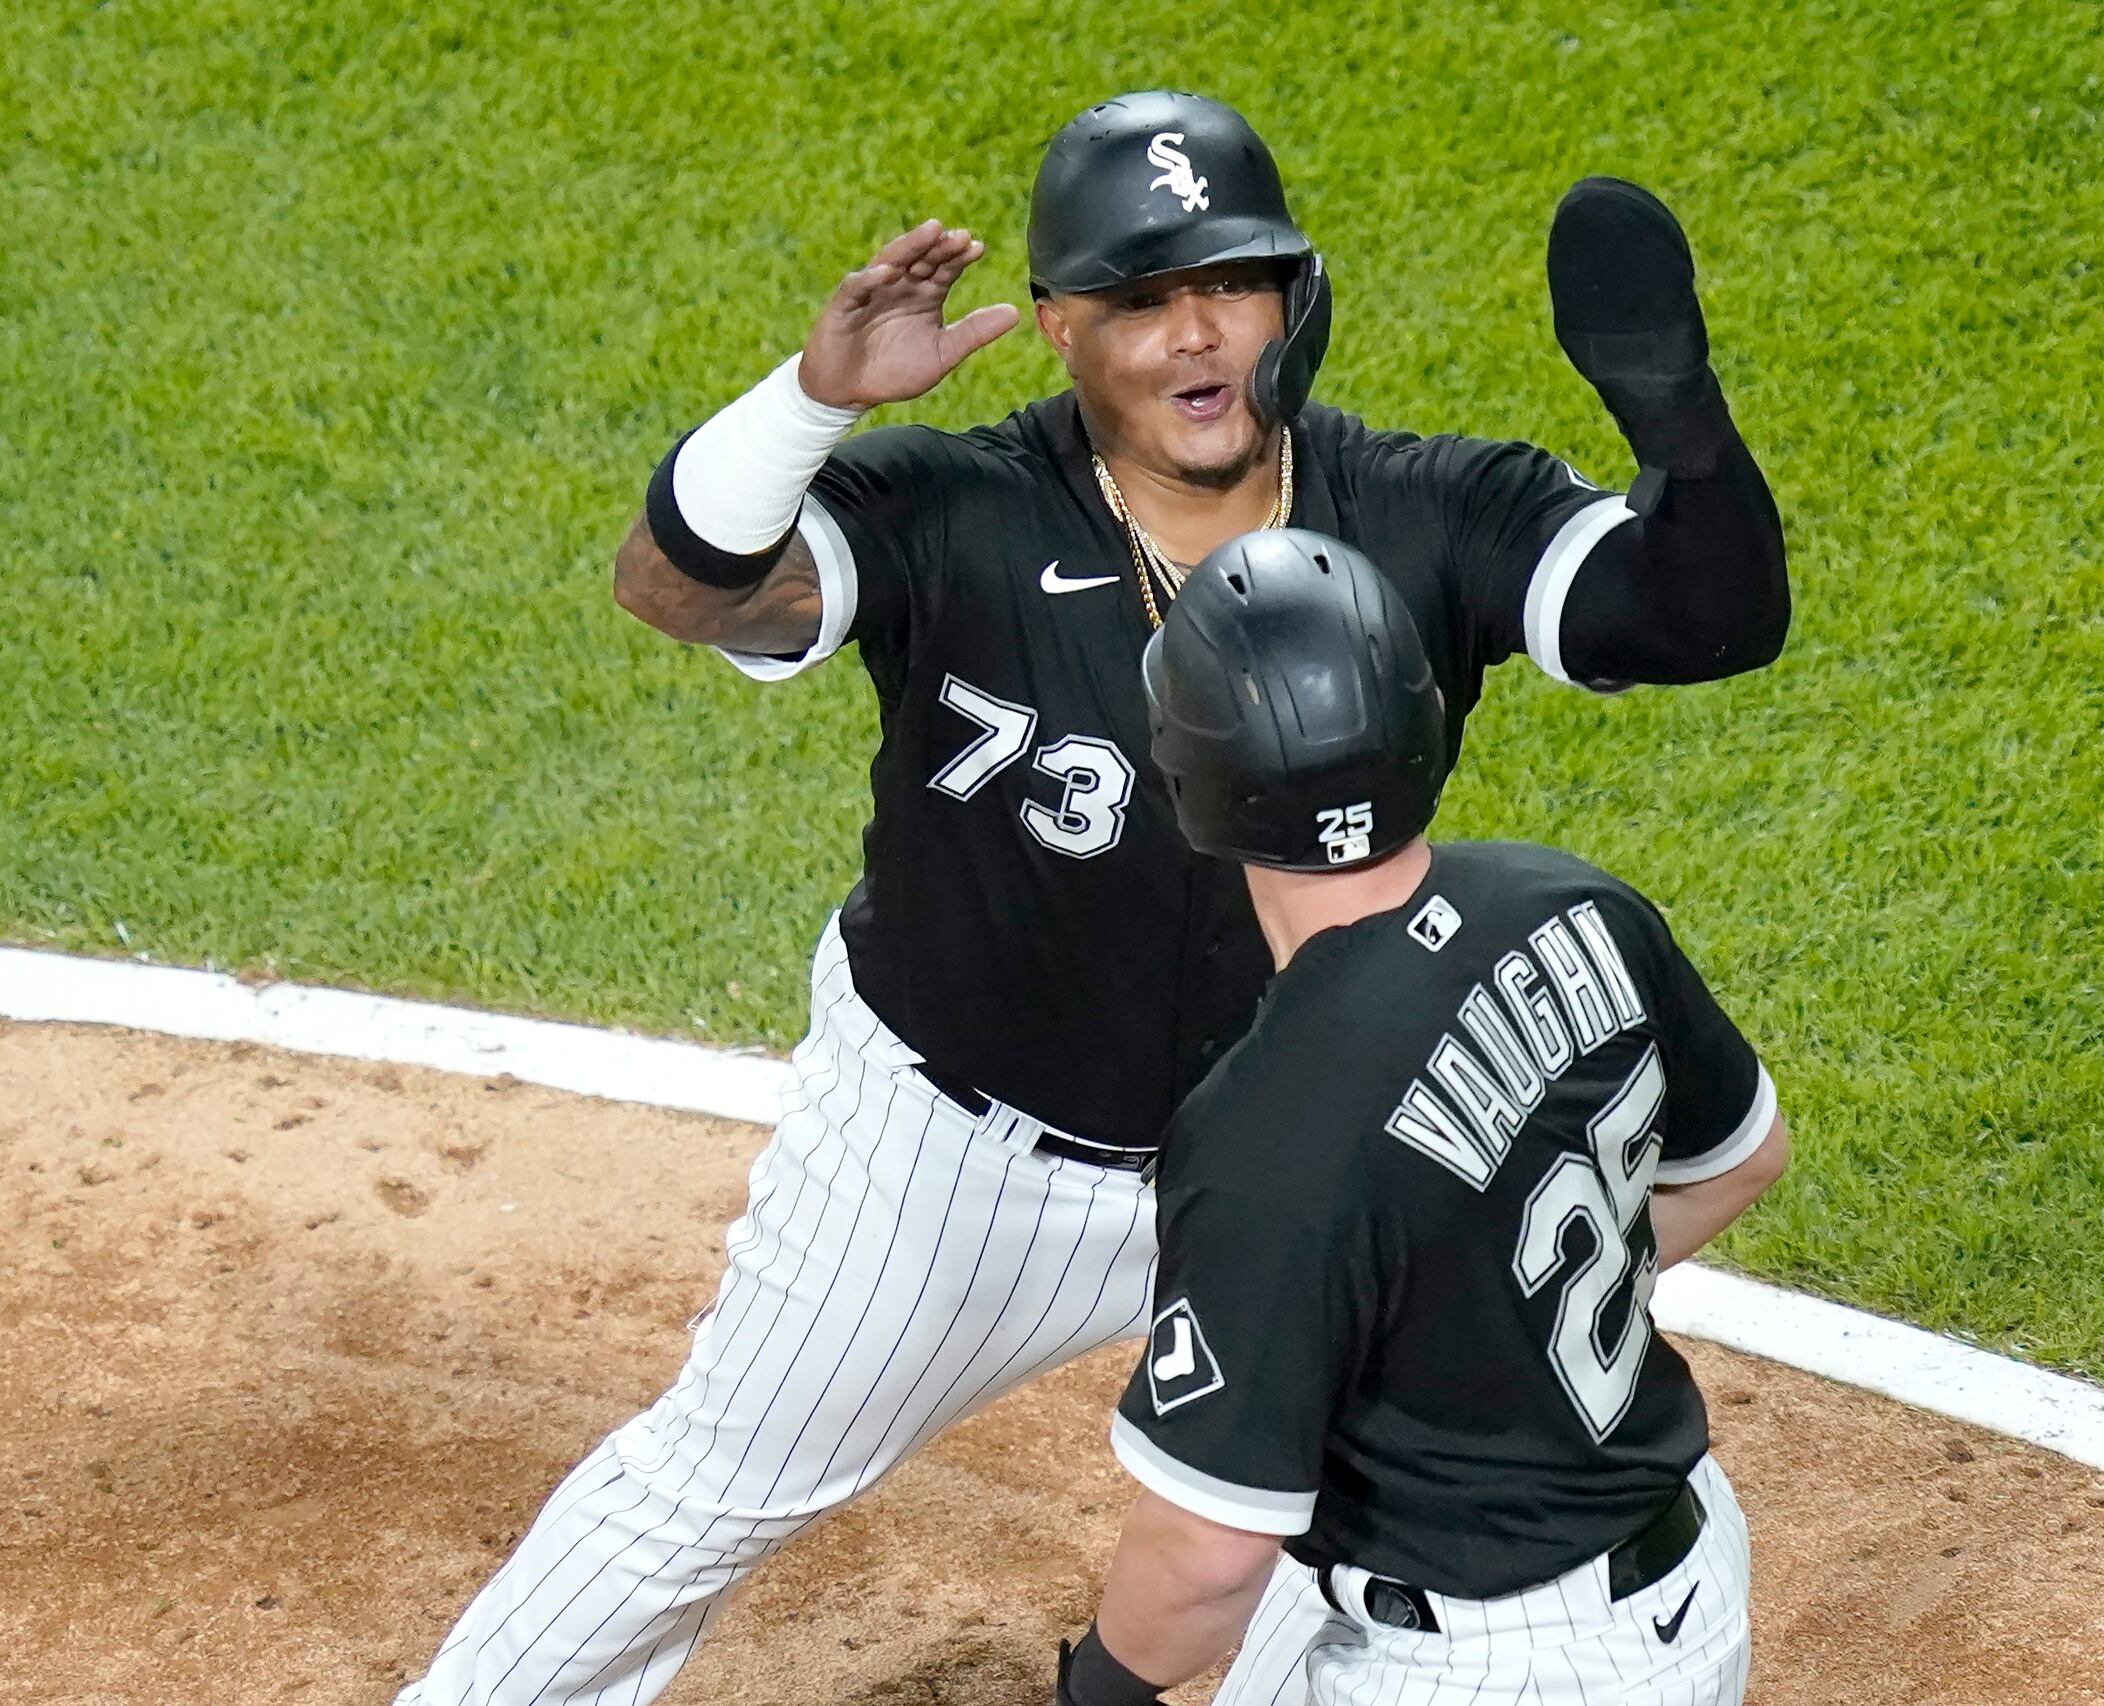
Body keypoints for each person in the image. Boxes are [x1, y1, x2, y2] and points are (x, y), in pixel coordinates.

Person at [398, 88, 1787, 1706]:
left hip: (1297, 1176)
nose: (1196, 336)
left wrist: (1678, 427)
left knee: (1335, 1535)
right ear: (1057, 325)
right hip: (954, 1158)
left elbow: (1700, 620)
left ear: (1298, 297)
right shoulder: (959, 513)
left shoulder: (1419, 508)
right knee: (710, 1485)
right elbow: (681, 589)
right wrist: (809, 403)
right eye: (1136, 300)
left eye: (1234, 284)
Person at [1059, 528, 1788, 1706]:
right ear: (1420, 716)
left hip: (1482, 1666)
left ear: (1188, 772)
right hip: (1686, 1569)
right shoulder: (1570, 903)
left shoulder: (1265, 1136)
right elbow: (1741, 1159)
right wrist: (1483, 1344)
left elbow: (1207, 1554)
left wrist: (1093, 1691)